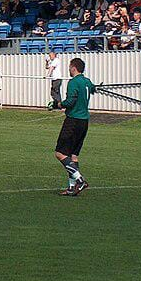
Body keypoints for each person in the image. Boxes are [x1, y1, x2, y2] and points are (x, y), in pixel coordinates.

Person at [52, 57, 96, 196]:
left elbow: (70, 101)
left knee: (60, 153)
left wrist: (58, 104)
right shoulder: (87, 81)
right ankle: (71, 188)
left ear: (74, 68)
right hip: (84, 121)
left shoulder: (73, 82)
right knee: (73, 155)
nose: (69, 69)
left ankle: (80, 180)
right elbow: (93, 89)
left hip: (73, 120)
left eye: (70, 67)